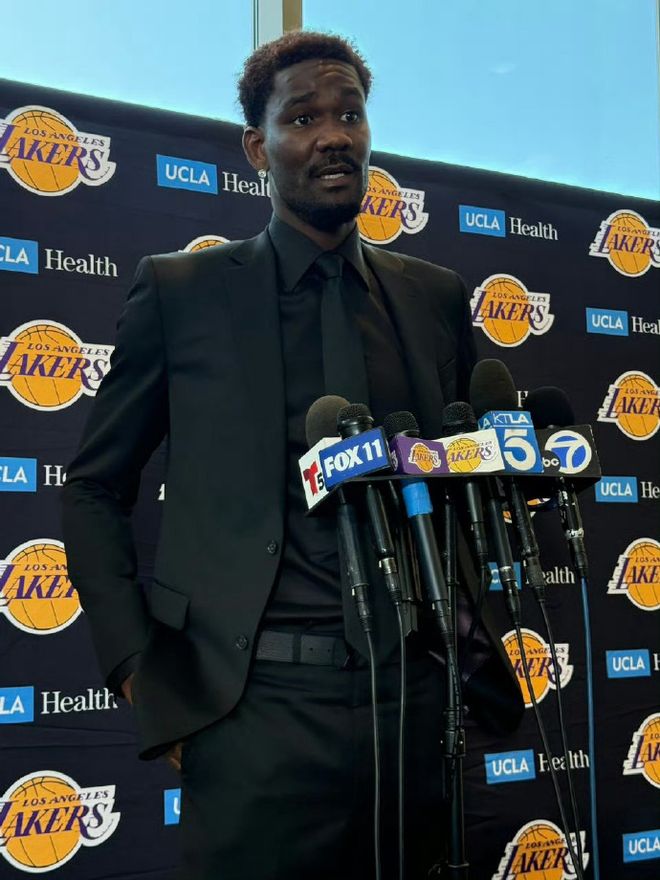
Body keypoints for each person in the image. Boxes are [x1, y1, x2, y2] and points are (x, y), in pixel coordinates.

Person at [62, 31, 523, 880]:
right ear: (257, 147)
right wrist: (139, 671)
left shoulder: (433, 298)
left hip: (413, 707)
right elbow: (93, 487)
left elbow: (464, 477)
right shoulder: (180, 293)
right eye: (304, 117)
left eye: (350, 113)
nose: (333, 135)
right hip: (251, 715)